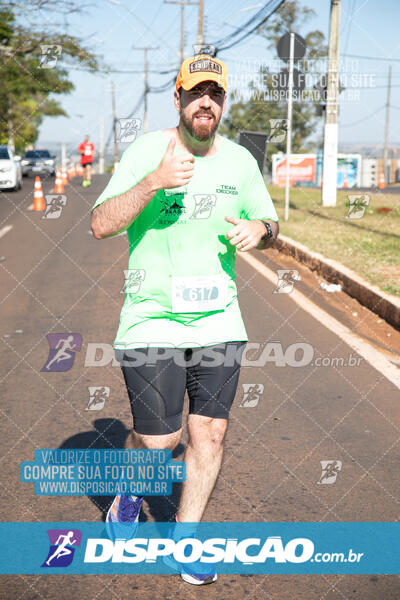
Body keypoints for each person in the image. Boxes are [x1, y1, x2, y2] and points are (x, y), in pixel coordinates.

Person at [91, 53, 279, 585]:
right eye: (197, 93)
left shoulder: (241, 161)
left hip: (219, 320)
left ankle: (185, 540)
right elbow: (100, 224)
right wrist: (152, 182)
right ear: (177, 98)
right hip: (152, 319)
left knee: (210, 434)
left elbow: (269, 219)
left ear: (222, 102)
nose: (206, 103)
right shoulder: (147, 151)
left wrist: (260, 232)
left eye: (215, 95)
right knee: (158, 443)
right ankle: (128, 493)